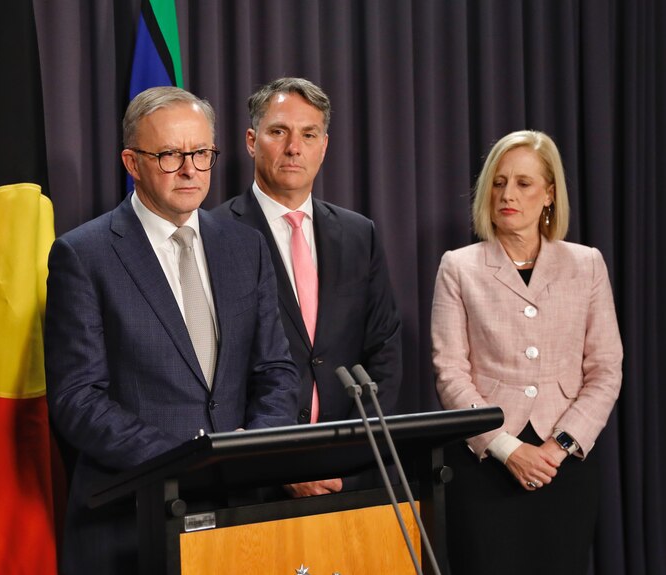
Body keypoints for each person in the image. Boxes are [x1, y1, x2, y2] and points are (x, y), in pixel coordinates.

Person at [45, 86, 300, 575]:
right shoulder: (85, 254)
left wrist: (249, 451)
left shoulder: (245, 247)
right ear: (131, 161)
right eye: (169, 155)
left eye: (201, 153)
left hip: (239, 513)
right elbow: (78, 399)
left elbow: (276, 370)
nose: (190, 170)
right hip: (132, 519)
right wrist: (189, 461)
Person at [431, 130, 622, 574]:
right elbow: (449, 372)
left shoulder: (586, 263)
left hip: (565, 466)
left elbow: (605, 369)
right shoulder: (459, 267)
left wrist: (557, 448)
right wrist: (505, 448)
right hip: (485, 464)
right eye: (498, 183)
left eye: (523, 183)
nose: (507, 195)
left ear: (549, 194)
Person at [213, 77, 402, 497]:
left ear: (324, 146)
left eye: (308, 134)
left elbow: (383, 353)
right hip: (254, 482)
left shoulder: (359, 234)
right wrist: (275, 463)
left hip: (348, 476)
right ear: (250, 140)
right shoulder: (214, 235)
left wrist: (349, 458)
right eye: (279, 131)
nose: (293, 147)